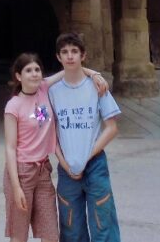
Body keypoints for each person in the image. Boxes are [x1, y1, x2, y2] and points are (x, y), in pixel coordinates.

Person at [4, 53, 107, 242]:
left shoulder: (43, 89)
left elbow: (71, 68)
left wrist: (94, 74)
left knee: (51, 234)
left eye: (37, 70)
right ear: (19, 76)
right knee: (19, 235)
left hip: (43, 171)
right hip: (22, 172)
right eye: (28, 71)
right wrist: (16, 187)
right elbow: (10, 148)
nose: (34, 74)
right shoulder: (14, 106)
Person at [49, 33, 122, 242]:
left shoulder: (97, 87)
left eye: (74, 51)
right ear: (58, 57)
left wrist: (87, 157)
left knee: (103, 222)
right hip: (67, 167)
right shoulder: (52, 91)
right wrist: (65, 162)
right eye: (65, 52)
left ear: (83, 55)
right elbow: (47, 130)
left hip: (94, 164)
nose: (70, 56)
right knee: (71, 226)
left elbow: (111, 127)